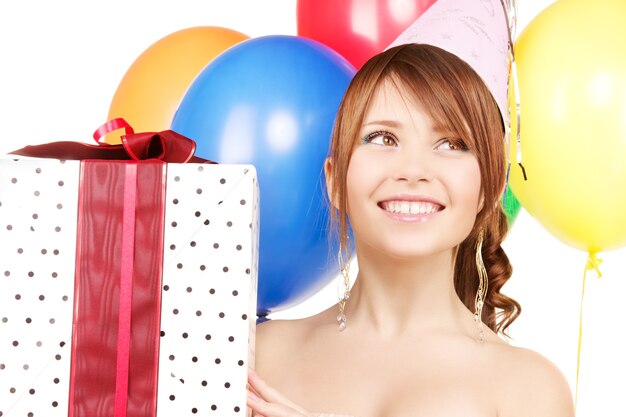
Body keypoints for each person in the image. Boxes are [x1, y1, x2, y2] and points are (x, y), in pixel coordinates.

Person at [247, 43, 575, 417]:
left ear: (489, 189)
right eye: (383, 138)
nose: (414, 169)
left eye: (451, 143)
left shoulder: (531, 389)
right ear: (335, 180)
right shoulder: (258, 354)